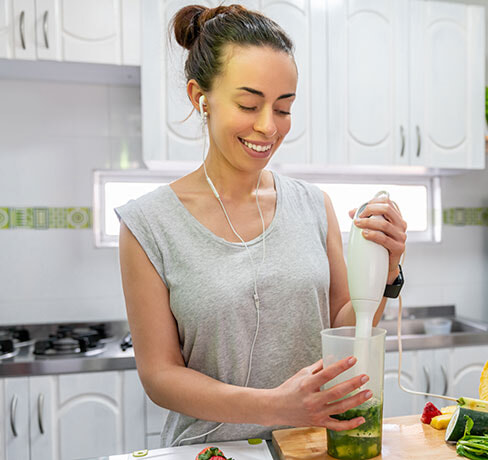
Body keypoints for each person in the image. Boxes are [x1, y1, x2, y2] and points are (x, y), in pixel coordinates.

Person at [116, 4, 407, 447]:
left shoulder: (313, 205)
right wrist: (278, 405)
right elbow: (160, 376)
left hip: (311, 446)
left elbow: (348, 324)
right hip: (211, 450)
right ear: (201, 98)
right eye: (249, 104)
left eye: (284, 108)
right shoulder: (148, 224)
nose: (268, 127)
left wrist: (384, 274)